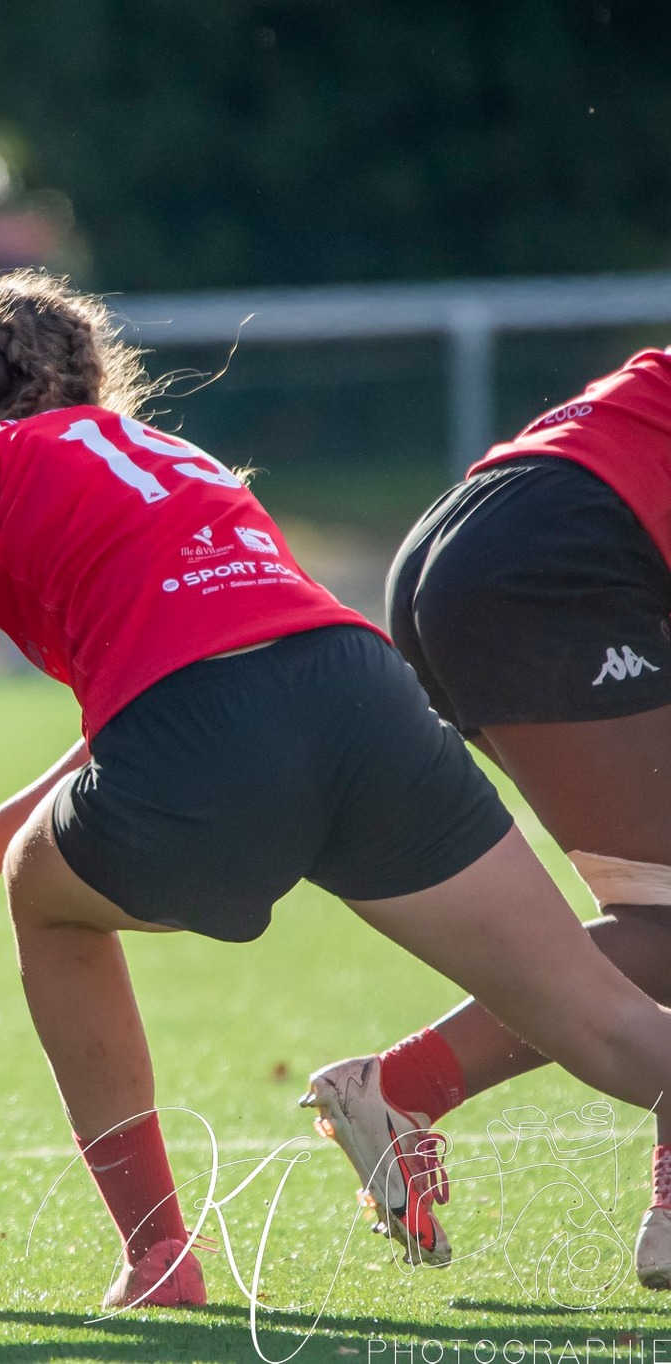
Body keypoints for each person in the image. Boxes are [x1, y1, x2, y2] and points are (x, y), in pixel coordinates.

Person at [0, 268, 671, 1310]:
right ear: (100, 385)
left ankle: (158, 1249)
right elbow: (207, 661)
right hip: (362, 694)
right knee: (610, 1025)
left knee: (46, 893)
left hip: (212, 728)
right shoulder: (177, 453)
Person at [301, 349, 671, 1285]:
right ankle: (402, 1089)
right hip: (552, 560)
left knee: (663, 914)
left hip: (471, 542)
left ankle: (404, 1090)